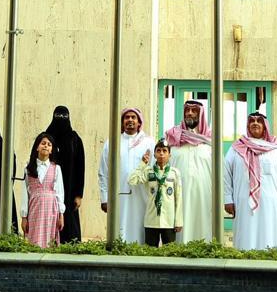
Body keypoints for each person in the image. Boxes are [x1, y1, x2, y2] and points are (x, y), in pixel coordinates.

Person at [223, 110, 277, 250]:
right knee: (246, 235)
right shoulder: (237, 148)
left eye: (259, 121)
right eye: (252, 121)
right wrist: (228, 199)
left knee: (270, 234)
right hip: (243, 201)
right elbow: (226, 174)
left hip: (272, 202)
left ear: (265, 125)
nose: (255, 123)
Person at [98, 106, 153, 242]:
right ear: (122, 122)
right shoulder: (112, 142)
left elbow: (154, 170)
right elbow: (104, 172)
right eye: (126, 117)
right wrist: (105, 198)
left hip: (143, 196)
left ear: (139, 122)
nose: (130, 120)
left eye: (133, 117)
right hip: (118, 197)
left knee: (142, 230)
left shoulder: (149, 142)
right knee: (119, 231)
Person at [165, 99, 213, 242]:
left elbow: (221, 175)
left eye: (194, 111)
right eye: (187, 110)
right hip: (177, 197)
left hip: (205, 197)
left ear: (202, 115)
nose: (190, 113)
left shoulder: (211, 143)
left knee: (204, 231)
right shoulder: (173, 141)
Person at [129, 140, 184, 246]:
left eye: (164, 151)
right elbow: (132, 180)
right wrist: (142, 164)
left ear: (170, 154)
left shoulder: (174, 173)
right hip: (151, 220)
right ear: (154, 154)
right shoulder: (149, 171)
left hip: (169, 221)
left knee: (170, 253)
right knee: (150, 252)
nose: (161, 154)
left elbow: (179, 197)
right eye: (158, 151)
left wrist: (178, 221)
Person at [45, 105, 85, 242]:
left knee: (70, 229)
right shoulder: (47, 139)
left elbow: (80, 167)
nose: (61, 120)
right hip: (49, 189)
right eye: (58, 117)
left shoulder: (75, 139)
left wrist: (79, 194)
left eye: (64, 117)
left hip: (70, 190)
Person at [21, 132, 65, 248]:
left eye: (49, 145)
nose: (46, 146)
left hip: (51, 210)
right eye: (43, 143)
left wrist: (61, 215)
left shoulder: (56, 169)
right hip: (35, 210)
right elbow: (25, 194)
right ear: (37, 147)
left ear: (51, 150)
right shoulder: (28, 169)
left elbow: (60, 193)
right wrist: (24, 217)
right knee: (34, 241)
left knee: (50, 242)